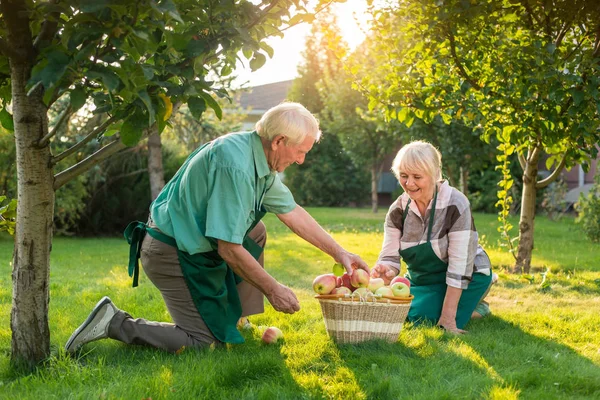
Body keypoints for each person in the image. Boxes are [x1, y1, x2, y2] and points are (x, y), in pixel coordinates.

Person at [65, 102, 369, 353]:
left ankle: (237, 320)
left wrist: (341, 253)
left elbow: (293, 214)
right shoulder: (234, 166)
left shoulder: (259, 160)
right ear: (279, 142)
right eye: (300, 152)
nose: (301, 161)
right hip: (171, 252)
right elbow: (229, 248)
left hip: (192, 243)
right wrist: (273, 289)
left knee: (256, 231)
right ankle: (113, 322)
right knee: (203, 343)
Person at [371, 140, 495, 334]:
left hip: (469, 275)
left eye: (417, 177)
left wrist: (447, 318)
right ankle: (463, 305)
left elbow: (459, 266)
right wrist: (385, 270)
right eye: (403, 176)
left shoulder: (456, 203)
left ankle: (478, 307)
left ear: (434, 175)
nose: (409, 184)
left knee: (422, 317)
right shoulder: (397, 210)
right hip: (424, 278)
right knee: (397, 310)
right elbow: (389, 256)